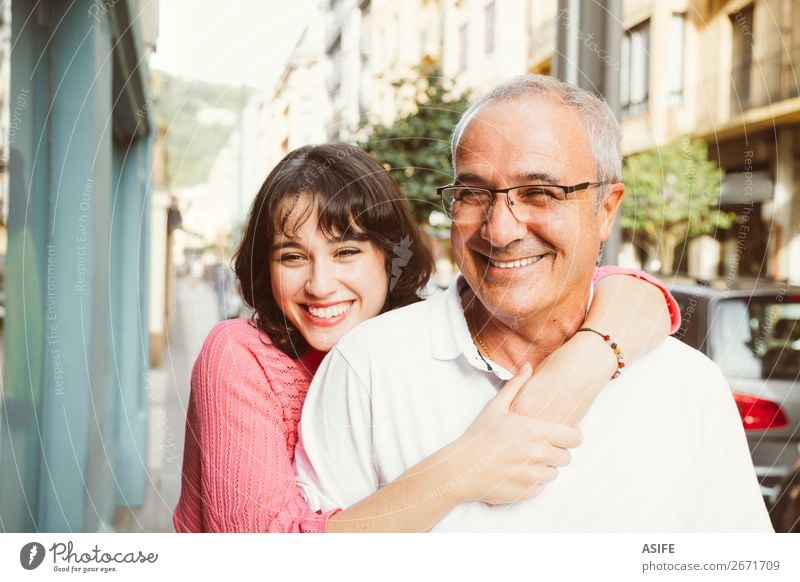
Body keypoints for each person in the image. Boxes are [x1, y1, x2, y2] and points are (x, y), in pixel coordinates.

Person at [295, 77, 774, 532]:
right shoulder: (367, 369)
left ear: (606, 209)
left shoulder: (687, 386)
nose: (500, 230)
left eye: (540, 193)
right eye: (473, 193)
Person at [174, 142, 677, 533]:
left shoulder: (404, 344)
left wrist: (587, 358)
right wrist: (468, 466)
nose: (320, 284)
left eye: (346, 252)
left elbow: (624, 286)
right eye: (292, 256)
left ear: (388, 256)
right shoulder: (240, 354)